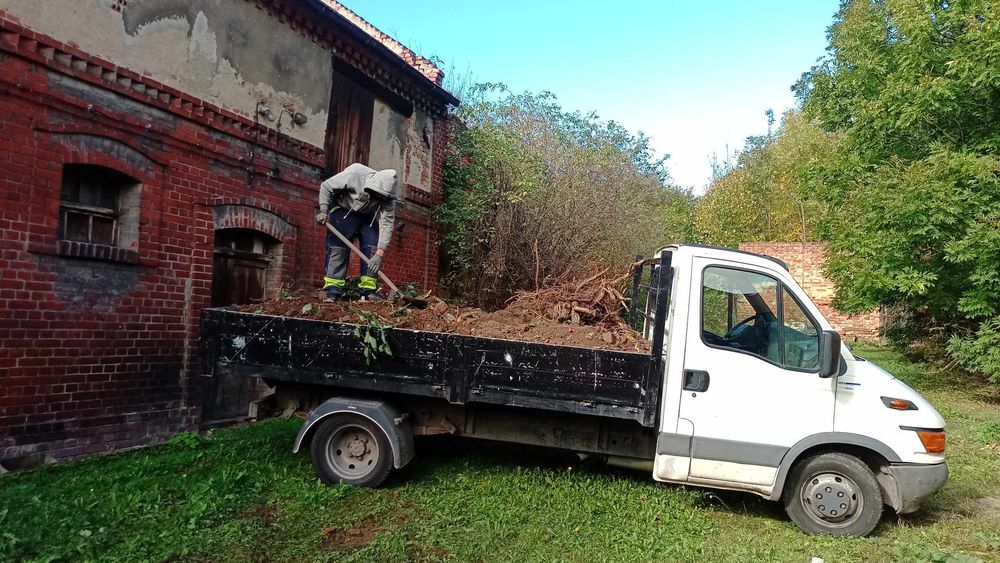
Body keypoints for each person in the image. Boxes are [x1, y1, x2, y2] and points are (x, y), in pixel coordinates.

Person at [316, 163, 398, 300]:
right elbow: (326, 186)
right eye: (379, 196)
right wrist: (323, 210)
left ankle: (369, 291)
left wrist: (380, 252)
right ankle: (332, 290)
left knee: (372, 249)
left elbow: (387, 224)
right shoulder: (355, 174)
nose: (382, 199)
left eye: (384, 198)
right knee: (338, 248)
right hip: (343, 209)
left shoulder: (388, 198)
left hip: (368, 216)